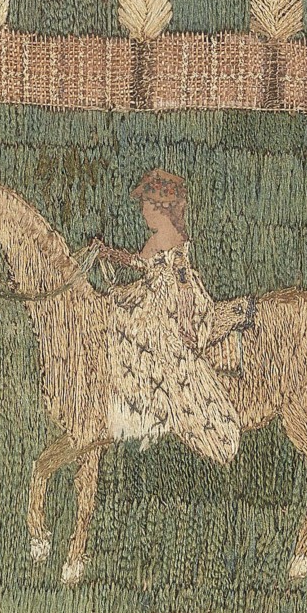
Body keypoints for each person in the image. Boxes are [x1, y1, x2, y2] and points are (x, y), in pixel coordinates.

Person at [95, 168, 238, 460]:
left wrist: (185, 321)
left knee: (134, 328)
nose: (143, 212)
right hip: (158, 294)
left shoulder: (166, 237)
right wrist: (109, 254)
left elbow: (181, 281)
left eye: (146, 206)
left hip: (172, 303)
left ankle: (145, 402)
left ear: (159, 208)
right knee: (119, 307)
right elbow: (139, 263)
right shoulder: (158, 237)